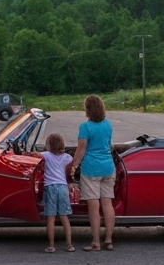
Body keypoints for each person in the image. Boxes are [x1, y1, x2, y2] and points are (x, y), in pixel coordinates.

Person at [72, 94, 116, 251]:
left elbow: (81, 148)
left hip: (91, 168)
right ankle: (109, 240)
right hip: (108, 168)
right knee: (107, 203)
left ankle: (96, 242)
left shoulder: (85, 127)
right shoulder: (108, 125)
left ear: (88, 109)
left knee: (93, 205)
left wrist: (74, 164)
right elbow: (108, 145)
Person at [39, 132, 75, 253]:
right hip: (63, 187)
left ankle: (51, 245)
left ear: (48, 145)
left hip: (50, 187)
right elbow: (71, 164)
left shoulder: (45, 155)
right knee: (64, 217)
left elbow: (33, 156)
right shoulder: (67, 157)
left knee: (51, 218)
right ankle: (69, 244)